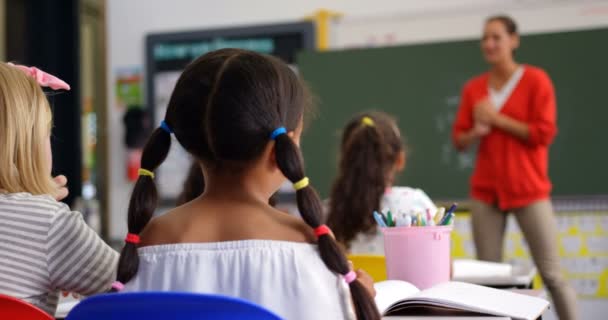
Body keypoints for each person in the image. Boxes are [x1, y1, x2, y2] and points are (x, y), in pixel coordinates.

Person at [113, 49, 380, 320]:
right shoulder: (309, 246)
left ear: (186, 141)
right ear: (282, 150)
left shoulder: (148, 241)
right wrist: (355, 305)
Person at [452, 15, 577, 320]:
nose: (489, 44)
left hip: (530, 189)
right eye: (485, 38)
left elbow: (543, 134)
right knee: (489, 277)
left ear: (514, 40)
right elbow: (459, 140)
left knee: (552, 273)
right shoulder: (474, 89)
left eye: (496, 37)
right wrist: (476, 132)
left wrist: (497, 120)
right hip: (486, 192)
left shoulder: (536, 80)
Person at [0, 62, 118, 315]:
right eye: (47, 133)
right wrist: (38, 207)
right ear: (29, 143)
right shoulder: (47, 223)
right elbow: (131, 289)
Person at [327, 111, 436, 254]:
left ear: (345, 159)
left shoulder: (324, 212)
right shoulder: (417, 204)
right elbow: (443, 266)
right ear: (400, 160)